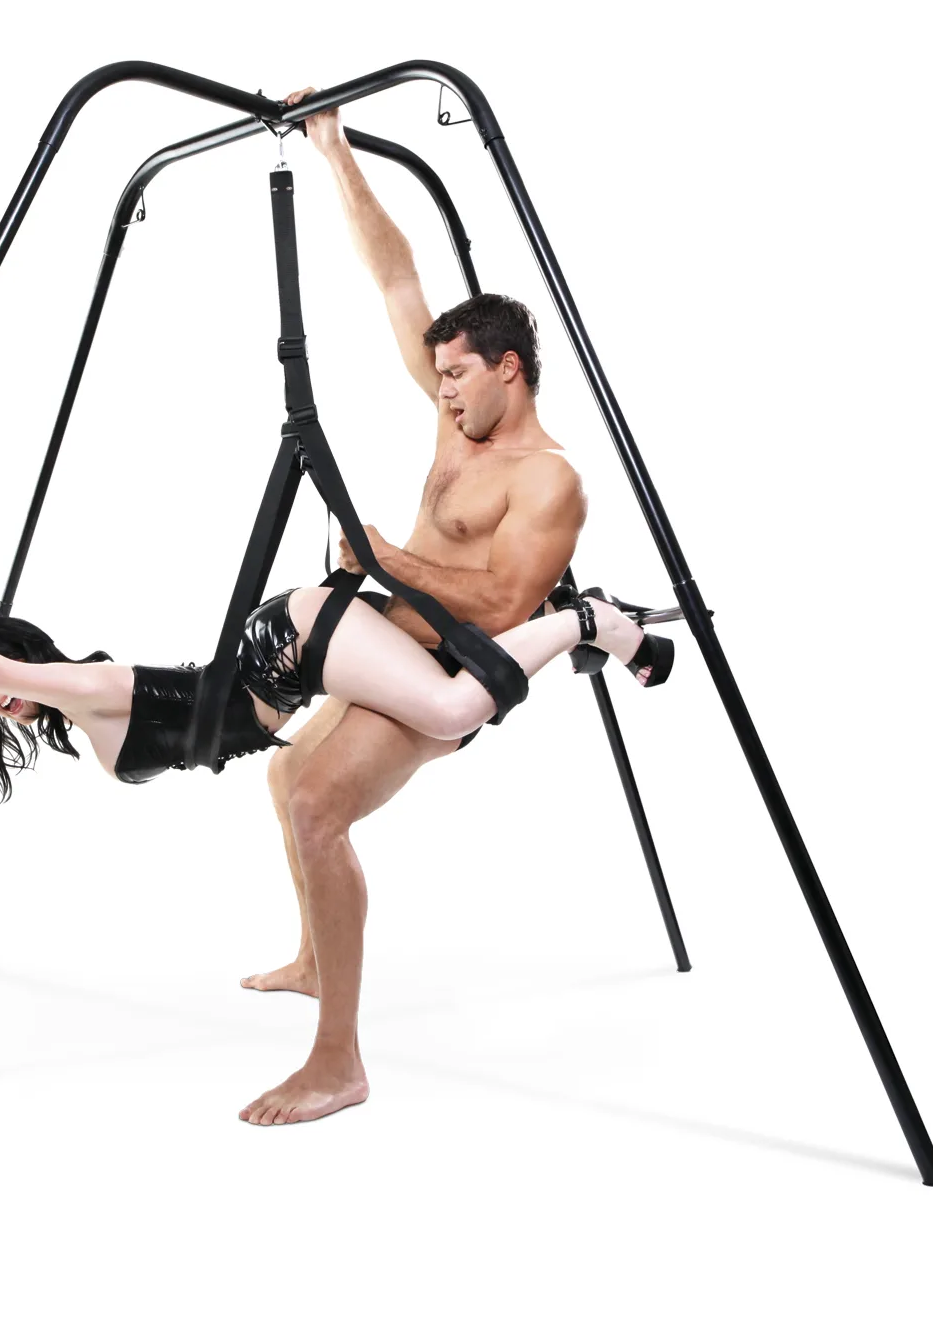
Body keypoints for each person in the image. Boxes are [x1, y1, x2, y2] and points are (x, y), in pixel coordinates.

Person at [229, 87, 593, 1126]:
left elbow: (507, 602)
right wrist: (332, 146)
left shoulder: (548, 479)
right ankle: (316, 958)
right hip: (387, 643)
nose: (442, 390)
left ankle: (337, 1061)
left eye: (458, 375)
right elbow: (394, 275)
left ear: (510, 369)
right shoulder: (455, 420)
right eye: (437, 375)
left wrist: (389, 559)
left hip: (446, 672)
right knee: (286, 775)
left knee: (317, 806)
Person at [0, 582, 666, 801]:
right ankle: (563, 612)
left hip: (285, 648)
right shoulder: (72, 706)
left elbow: (1, 665)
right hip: (289, 671)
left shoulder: (81, 687)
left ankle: (590, 622)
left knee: (452, 708)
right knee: (449, 714)